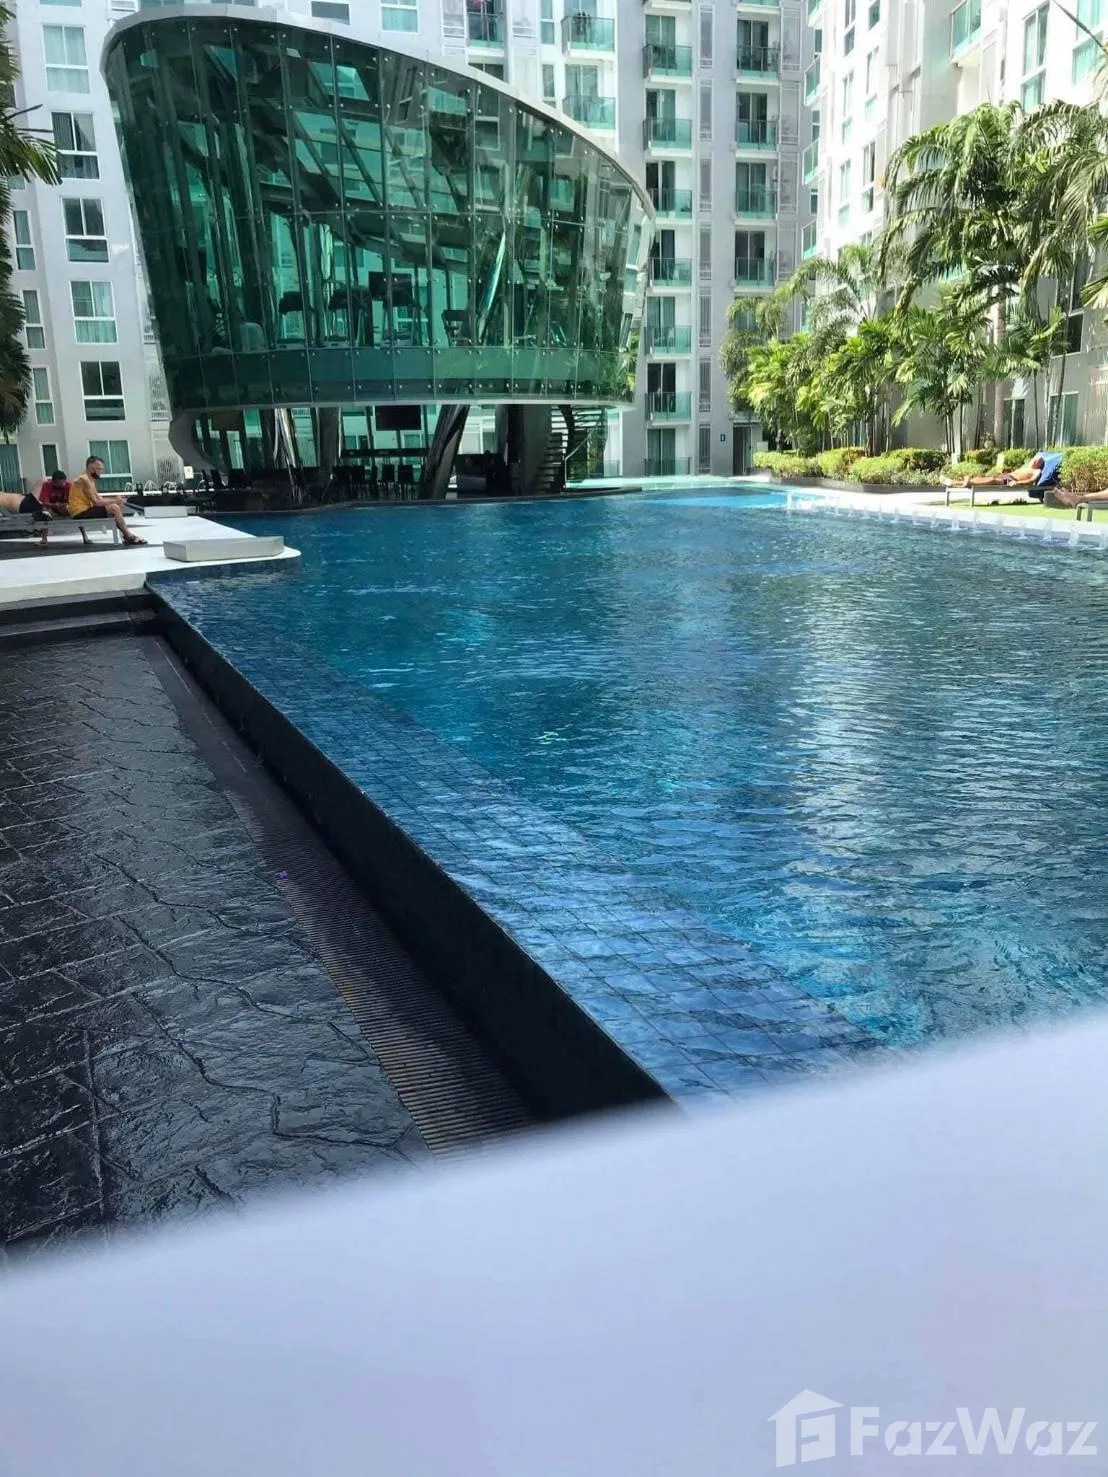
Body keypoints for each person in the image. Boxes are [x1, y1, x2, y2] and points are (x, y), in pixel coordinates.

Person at [67, 455, 146, 546]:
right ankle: (128, 535)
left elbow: (99, 499)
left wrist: (117, 499)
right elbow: (96, 503)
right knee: (114, 508)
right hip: (80, 512)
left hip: (83, 510)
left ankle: (125, 535)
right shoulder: (84, 479)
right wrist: (115, 501)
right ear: (90, 467)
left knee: (116, 506)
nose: (101, 472)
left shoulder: (89, 479)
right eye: (99, 469)